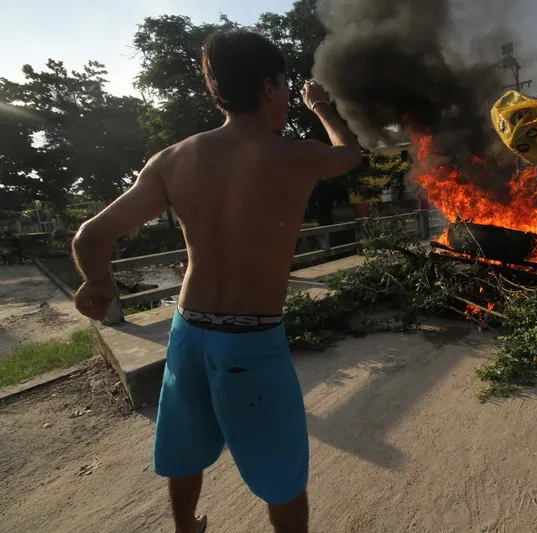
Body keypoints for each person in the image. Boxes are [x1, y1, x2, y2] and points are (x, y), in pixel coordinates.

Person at [70, 30, 362, 533]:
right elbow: (350, 152)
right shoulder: (295, 156)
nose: (290, 95)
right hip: (252, 341)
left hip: (188, 333)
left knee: (185, 444)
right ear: (269, 87)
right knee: (281, 471)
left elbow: (90, 237)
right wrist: (321, 107)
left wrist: (99, 283)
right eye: (288, 87)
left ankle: (187, 528)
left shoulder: (172, 159)